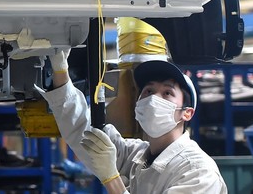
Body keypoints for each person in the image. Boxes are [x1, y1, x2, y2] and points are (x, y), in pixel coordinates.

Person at [40, 49, 226, 193]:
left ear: (187, 113)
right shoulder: (135, 156)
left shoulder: (198, 172)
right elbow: (82, 131)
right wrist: (60, 69)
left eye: (167, 93)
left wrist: (112, 178)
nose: (153, 100)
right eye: (148, 92)